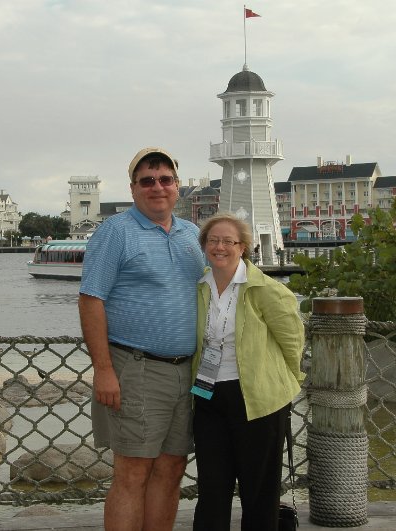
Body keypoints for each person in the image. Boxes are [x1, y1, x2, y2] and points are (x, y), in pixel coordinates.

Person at [79, 147, 206, 530]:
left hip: (189, 371)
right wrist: (103, 369)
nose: (157, 187)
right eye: (147, 180)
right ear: (133, 188)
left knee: (172, 468)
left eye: (165, 179)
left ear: (178, 187)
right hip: (135, 368)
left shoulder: (192, 235)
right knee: (133, 471)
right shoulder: (114, 232)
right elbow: (90, 299)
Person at [190, 213, 305, 530]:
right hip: (208, 395)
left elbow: (293, 343)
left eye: (229, 241)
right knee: (212, 488)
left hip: (259, 400)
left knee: (259, 491)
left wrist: (284, 385)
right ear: (204, 246)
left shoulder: (266, 290)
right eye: (213, 240)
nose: (220, 247)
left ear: (243, 247)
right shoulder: (198, 287)